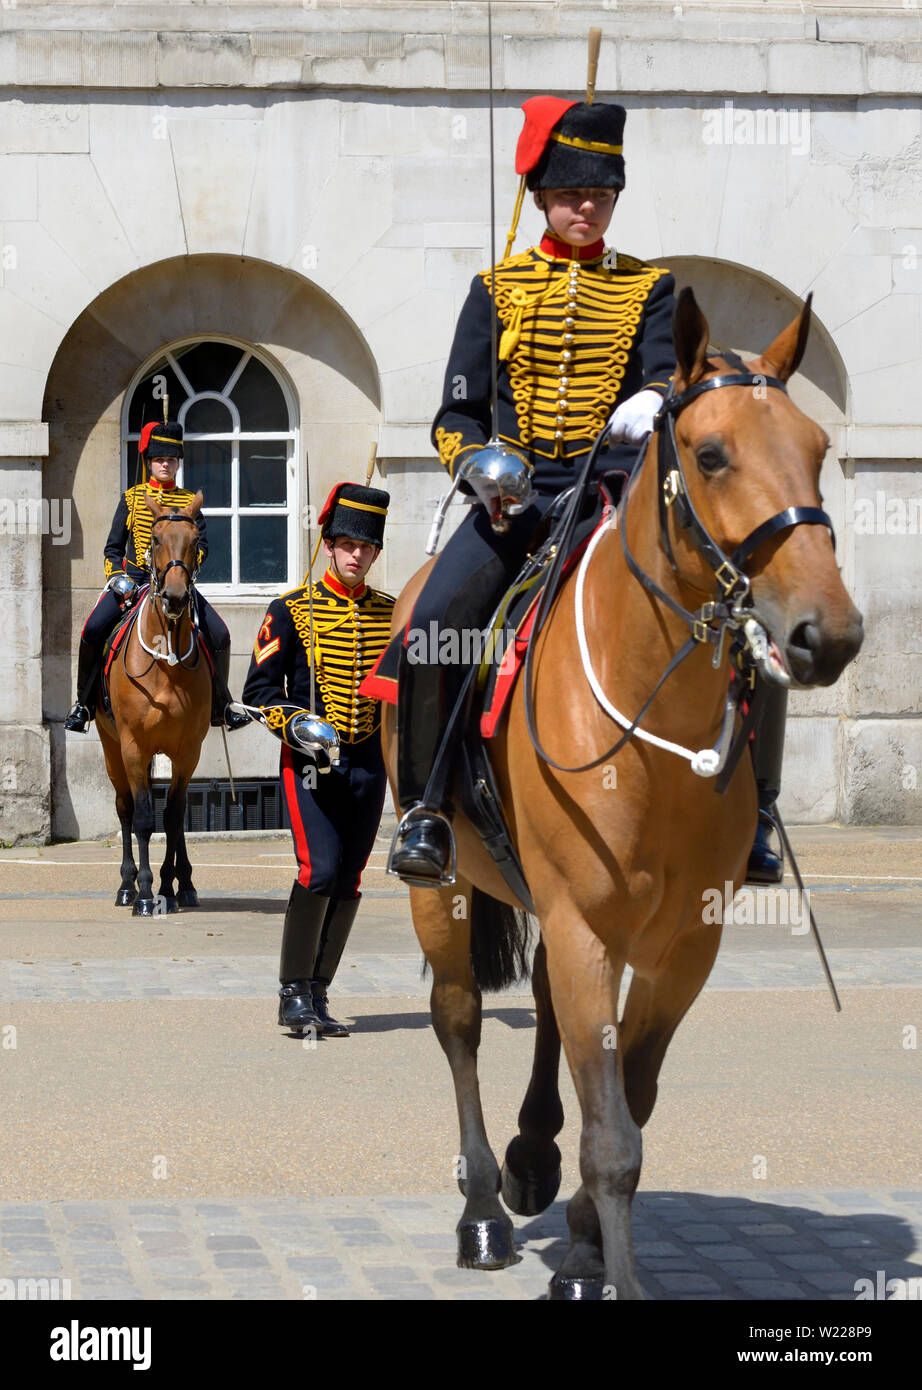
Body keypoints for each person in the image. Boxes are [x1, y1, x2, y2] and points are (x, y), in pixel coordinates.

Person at [390, 94, 677, 883]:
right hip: (514, 500)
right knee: (436, 620)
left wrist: (655, 400)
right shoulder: (498, 288)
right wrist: (478, 467)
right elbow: (456, 410)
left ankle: (752, 809)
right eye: (570, 194)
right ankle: (426, 808)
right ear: (543, 198)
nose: (586, 206)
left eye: (600, 194)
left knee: (731, 607)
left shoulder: (651, 288)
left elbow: (669, 377)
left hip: (610, 497)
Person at [242, 482, 395, 1038]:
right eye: (347, 542)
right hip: (311, 763)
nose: (357, 554)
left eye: (367, 547)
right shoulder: (289, 610)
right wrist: (299, 724)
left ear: (376, 553)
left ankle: (319, 991)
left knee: (351, 878)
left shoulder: (391, 613)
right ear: (329, 544)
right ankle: (291, 992)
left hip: (369, 760)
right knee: (319, 871)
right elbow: (259, 690)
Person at [64, 420, 248, 733]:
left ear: (177, 463)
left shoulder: (189, 503)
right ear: (150, 462)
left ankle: (222, 704)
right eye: (160, 459)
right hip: (133, 583)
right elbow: (112, 549)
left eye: (171, 460)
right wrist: (119, 577)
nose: (166, 464)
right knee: (93, 629)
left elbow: (202, 547)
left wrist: (183, 571)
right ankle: (83, 704)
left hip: (178, 584)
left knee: (220, 634)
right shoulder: (132, 498)